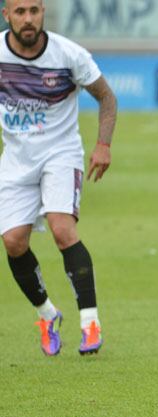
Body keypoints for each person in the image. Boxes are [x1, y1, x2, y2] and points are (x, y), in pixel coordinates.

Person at [0, 0, 117, 356]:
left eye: (34, 10)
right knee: (13, 242)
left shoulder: (69, 54)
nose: (28, 19)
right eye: (20, 12)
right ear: (7, 15)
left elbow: (106, 97)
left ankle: (90, 323)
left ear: (43, 12)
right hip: (17, 159)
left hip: (60, 153)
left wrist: (102, 145)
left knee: (62, 229)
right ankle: (48, 315)